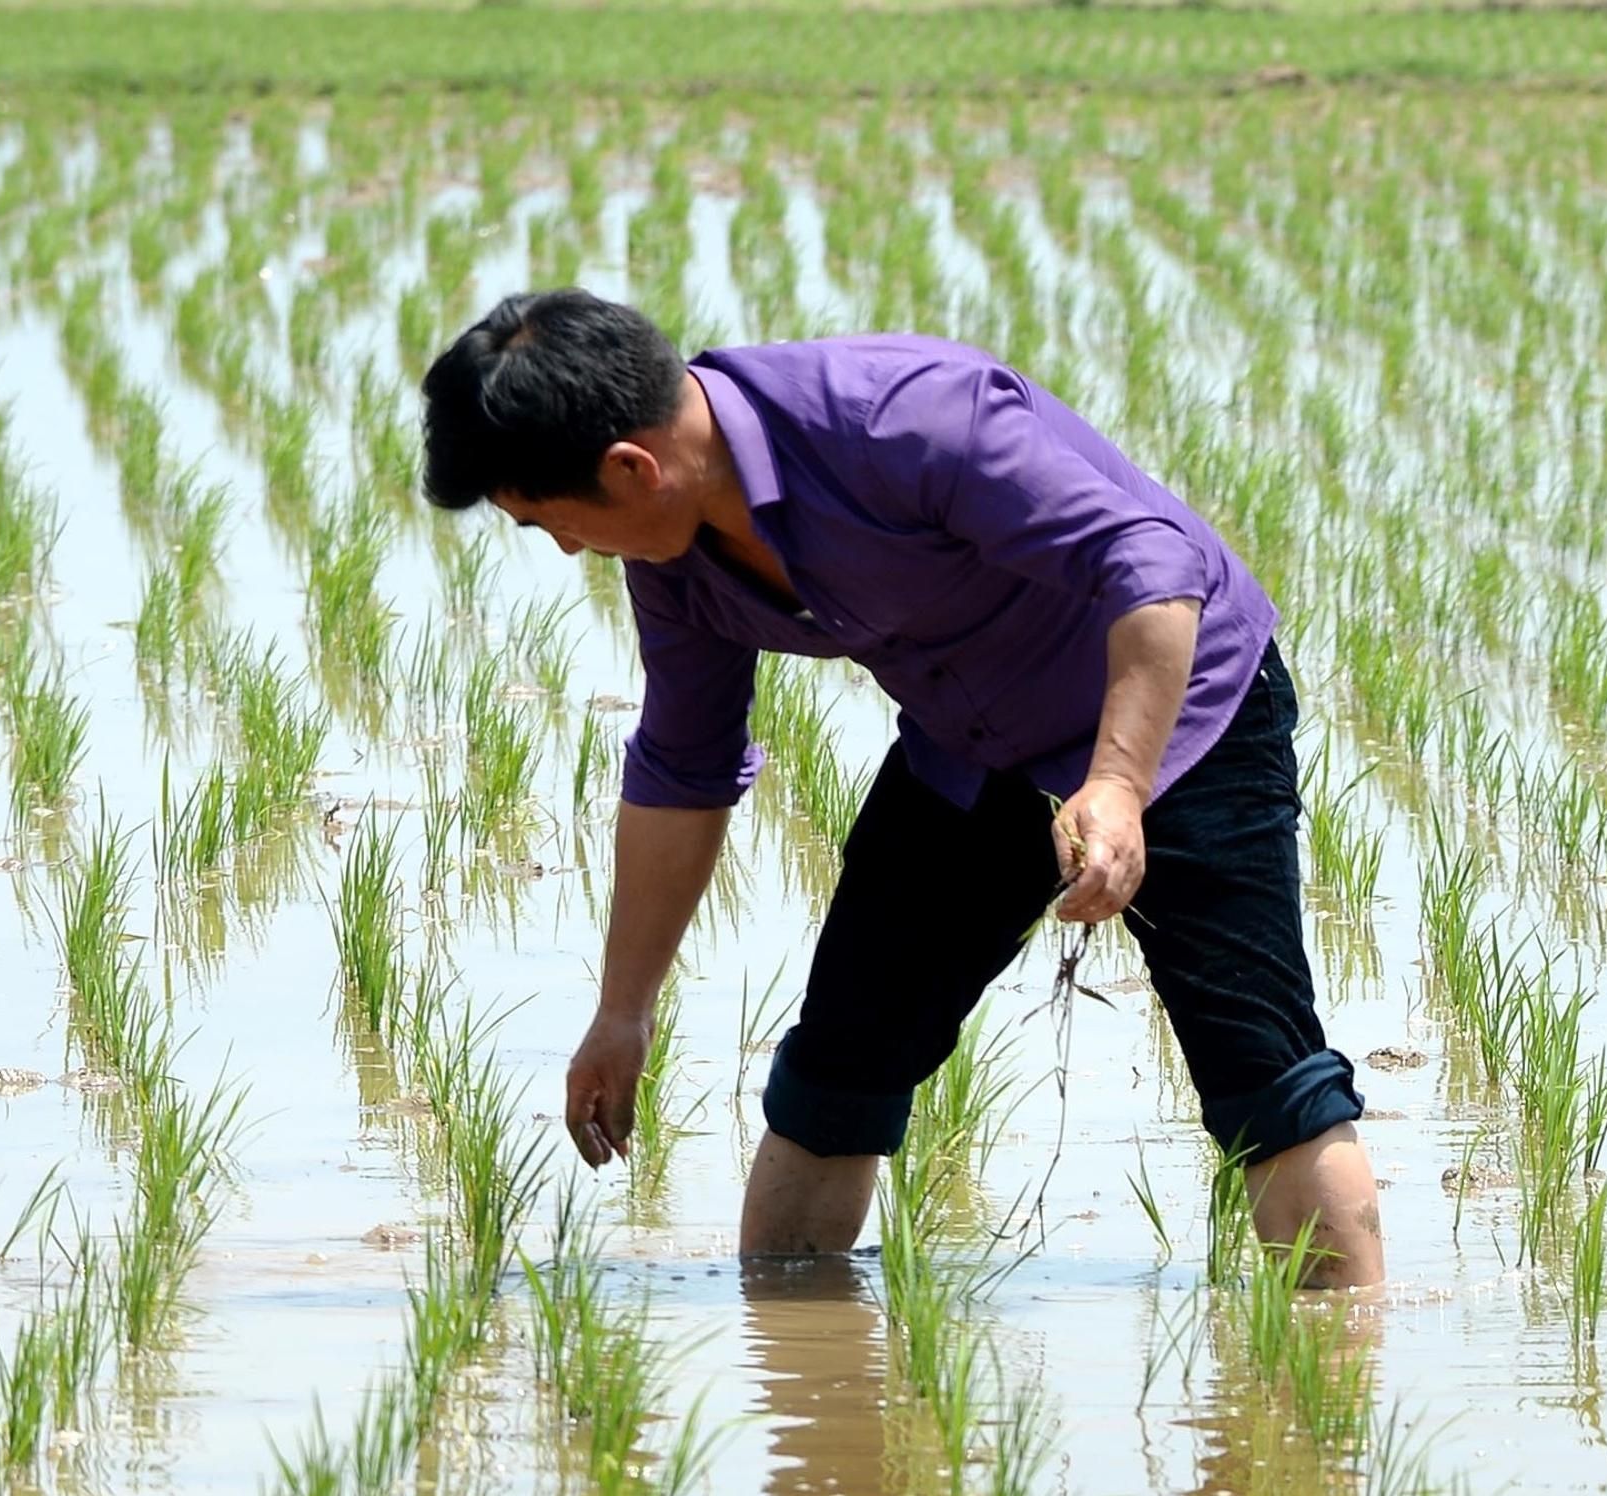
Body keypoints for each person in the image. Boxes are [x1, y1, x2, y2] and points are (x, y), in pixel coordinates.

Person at [419, 289, 1384, 1287]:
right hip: (970, 744)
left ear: (631, 467)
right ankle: (796, 1344)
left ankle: (1338, 1364)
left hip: (1173, 712)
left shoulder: (902, 419)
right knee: (841, 1062)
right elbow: (683, 767)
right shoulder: (678, 558)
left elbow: (1152, 562)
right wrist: (624, 1009)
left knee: (1260, 1066)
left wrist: (1117, 782)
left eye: (551, 522)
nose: (567, 548)